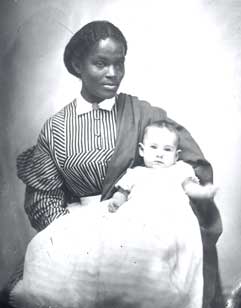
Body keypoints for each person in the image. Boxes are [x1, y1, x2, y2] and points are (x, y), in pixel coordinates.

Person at [3, 20, 222, 308]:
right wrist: (78, 243)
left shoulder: (145, 115)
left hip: (138, 242)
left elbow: (190, 163)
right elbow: (44, 197)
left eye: (119, 64)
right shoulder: (55, 128)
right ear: (78, 64)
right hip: (77, 238)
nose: (113, 74)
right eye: (101, 64)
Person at [108, 120, 218, 213]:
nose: (159, 154)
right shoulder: (135, 173)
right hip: (139, 217)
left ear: (176, 156)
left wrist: (203, 192)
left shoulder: (180, 170)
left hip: (171, 219)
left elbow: (190, 188)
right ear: (142, 150)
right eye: (153, 147)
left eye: (167, 149)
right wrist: (117, 201)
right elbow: (122, 193)